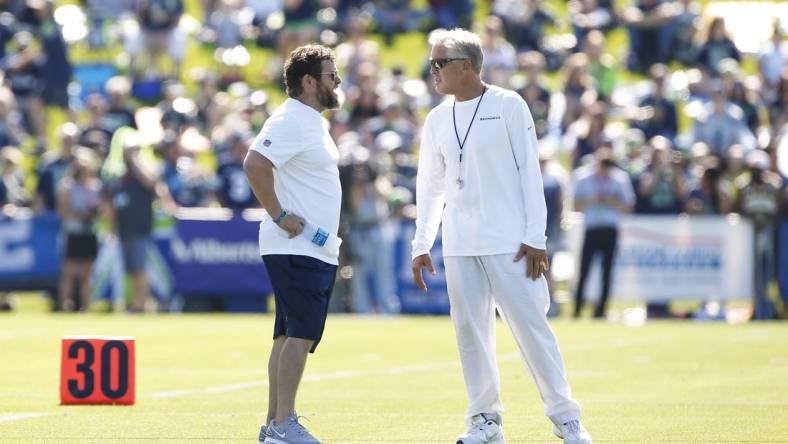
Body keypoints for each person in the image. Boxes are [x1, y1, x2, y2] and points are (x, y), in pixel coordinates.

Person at [411, 29, 592, 444]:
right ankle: (484, 421)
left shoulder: (509, 105)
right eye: (432, 63)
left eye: (440, 63)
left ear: (466, 66)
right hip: (459, 244)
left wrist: (536, 236)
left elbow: (531, 173)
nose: (433, 71)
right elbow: (430, 186)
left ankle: (567, 420)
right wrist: (422, 244)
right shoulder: (437, 117)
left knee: (532, 330)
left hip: (512, 242)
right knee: (470, 334)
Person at [243, 44, 342, 444]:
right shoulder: (291, 120)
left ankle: (273, 426)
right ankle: (285, 422)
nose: (337, 81)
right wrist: (280, 215)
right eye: (331, 75)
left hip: (309, 246)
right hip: (296, 244)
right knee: (299, 333)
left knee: (287, 335)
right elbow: (255, 163)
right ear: (308, 81)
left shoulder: (310, 120)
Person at [571, 148, 635, 319]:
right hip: (591, 228)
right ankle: (577, 309)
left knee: (607, 272)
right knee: (584, 270)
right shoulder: (583, 178)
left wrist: (612, 202)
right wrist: (593, 200)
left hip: (610, 229)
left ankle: (601, 310)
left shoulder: (620, 179)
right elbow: (575, 206)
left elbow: (628, 207)